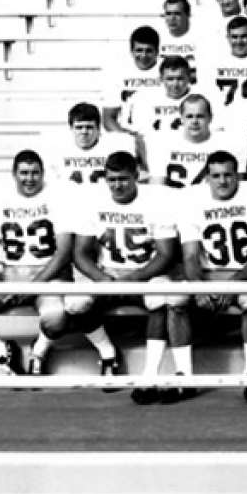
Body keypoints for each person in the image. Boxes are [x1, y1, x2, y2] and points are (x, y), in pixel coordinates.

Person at [72, 151, 192, 404]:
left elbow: (166, 254)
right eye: (112, 179)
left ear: (136, 177)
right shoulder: (93, 203)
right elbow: (80, 253)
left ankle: (150, 375)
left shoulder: (155, 203)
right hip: (108, 273)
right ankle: (107, 352)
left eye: (124, 179)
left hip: (145, 273)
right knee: (76, 303)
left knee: (161, 298)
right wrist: (101, 278)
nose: (117, 185)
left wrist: (135, 277)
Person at [0, 150, 118, 376]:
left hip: (49, 276)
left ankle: (39, 351)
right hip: (11, 273)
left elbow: (64, 252)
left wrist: (34, 286)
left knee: (56, 319)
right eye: (24, 173)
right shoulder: (0, 200)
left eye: (35, 173)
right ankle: (0, 351)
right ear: (14, 174)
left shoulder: (57, 198)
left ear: (43, 173)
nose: (29, 178)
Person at [178, 151, 247, 402]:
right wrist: (199, 287)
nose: (222, 181)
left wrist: (232, 285)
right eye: (216, 176)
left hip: (244, 276)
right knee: (173, 300)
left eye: (228, 175)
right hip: (208, 275)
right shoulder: (192, 207)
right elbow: (190, 258)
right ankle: (183, 375)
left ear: (238, 177)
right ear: (207, 179)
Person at [144, 94, 246, 189]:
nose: (194, 122)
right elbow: (157, 188)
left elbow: (236, 187)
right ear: (181, 119)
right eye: (189, 116)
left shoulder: (229, 144)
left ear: (210, 118)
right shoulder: (162, 144)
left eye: (200, 116)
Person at [46, 102, 138, 186]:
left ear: (98, 128)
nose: (84, 131)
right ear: (71, 128)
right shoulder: (58, 150)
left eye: (89, 127)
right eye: (79, 127)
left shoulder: (115, 147)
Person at [102, 26, 162, 133]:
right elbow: (108, 119)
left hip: (162, 135)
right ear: (131, 51)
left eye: (149, 51)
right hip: (129, 136)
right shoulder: (118, 74)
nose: (143, 55)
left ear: (157, 51)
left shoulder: (168, 72)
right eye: (139, 50)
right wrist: (128, 139)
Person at [121, 55, 194, 136]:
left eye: (180, 78)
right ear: (161, 79)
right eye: (170, 79)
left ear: (189, 77)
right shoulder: (146, 100)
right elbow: (138, 133)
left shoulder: (203, 99)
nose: (175, 84)